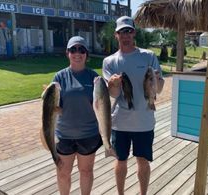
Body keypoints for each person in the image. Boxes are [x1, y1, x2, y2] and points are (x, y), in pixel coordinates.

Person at [102, 16, 165, 195]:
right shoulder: (109, 62)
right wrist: (113, 85)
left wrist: (157, 79)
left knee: (143, 163)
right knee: (120, 162)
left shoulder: (148, 56)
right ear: (116, 35)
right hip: (119, 122)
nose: (126, 35)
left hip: (144, 122)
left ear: (134, 33)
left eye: (129, 31)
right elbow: (114, 95)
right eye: (122, 32)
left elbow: (158, 90)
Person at [53, 36, 102, 195]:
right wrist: (47, 97)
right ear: (68, 53)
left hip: (88, 134)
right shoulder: (59, 77)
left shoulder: (94, 78)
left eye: (81, 49)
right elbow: (54, 107)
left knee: (86, 171)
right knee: (63, 173)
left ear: (86, 54)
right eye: (73, 49)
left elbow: (102, 105)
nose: (77, 53)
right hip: (64, 135)